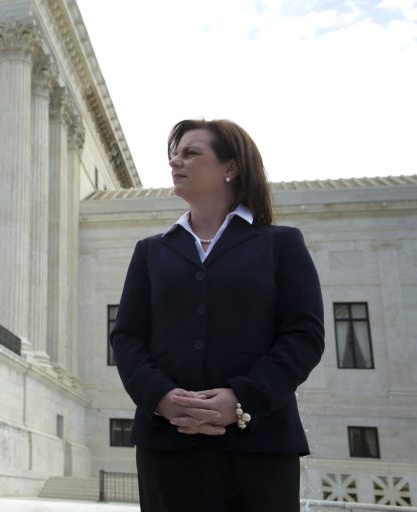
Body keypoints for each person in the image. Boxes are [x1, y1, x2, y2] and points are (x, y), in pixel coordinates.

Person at [110, 119, 325, 512]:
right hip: (167, 443)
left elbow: (303, 335)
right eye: (174, 155)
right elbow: (126, 337)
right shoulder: (150, 251)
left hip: (260, 445)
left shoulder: (281, 244)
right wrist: (159, 398)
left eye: (191, 153)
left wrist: (243, 400)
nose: (176, 162)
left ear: (231, 167)